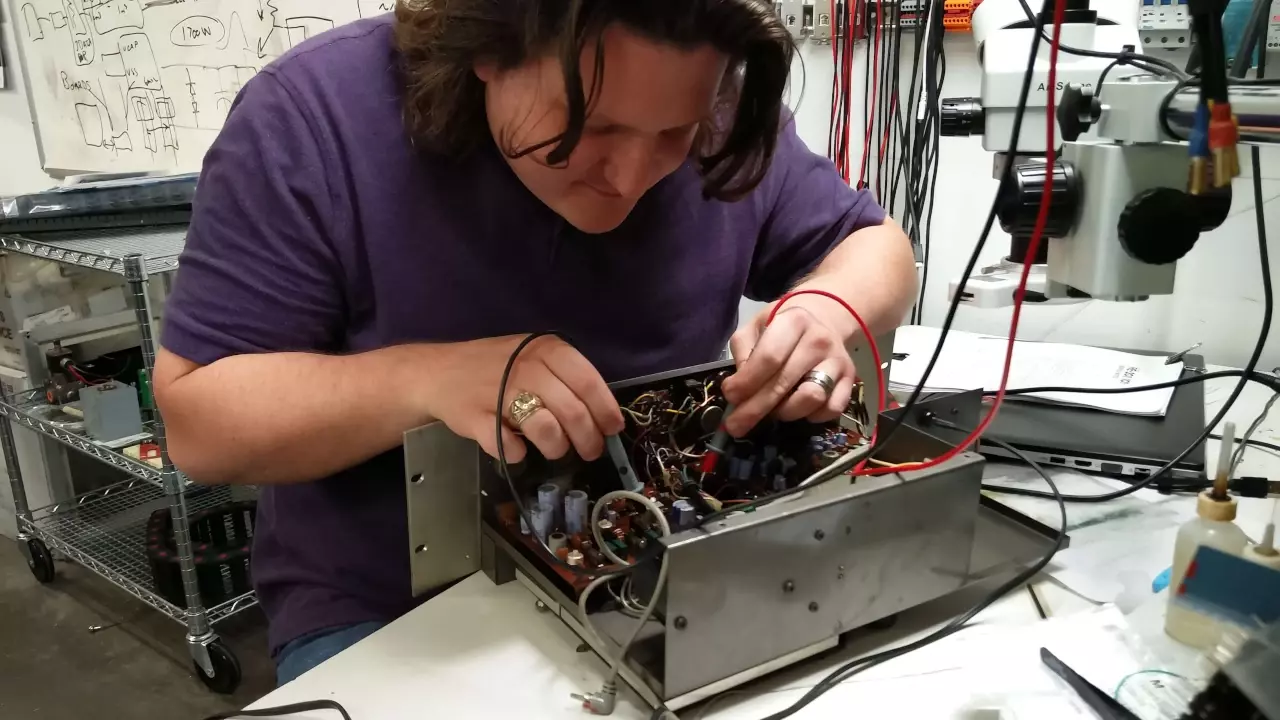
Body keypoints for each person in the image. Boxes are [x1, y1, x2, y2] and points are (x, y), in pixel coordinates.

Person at [154, 0, 917, 685]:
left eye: (673, 134)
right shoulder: (313, 118)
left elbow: (878, 247)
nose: (630, 176)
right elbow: (200, 424)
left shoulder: (719, 107)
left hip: (674, 573)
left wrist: (824, 311)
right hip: (394, 609)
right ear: (486, 46)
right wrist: (424, 380)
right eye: (596, 127)